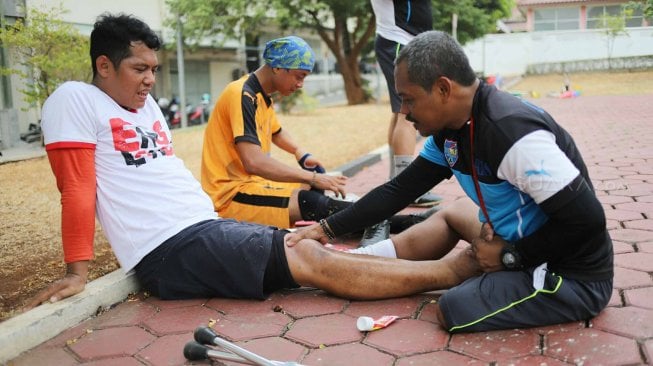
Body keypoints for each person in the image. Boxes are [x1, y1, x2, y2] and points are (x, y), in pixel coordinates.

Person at [25, 14, 472, 311]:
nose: (150, 80)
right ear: (103, 65)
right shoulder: (75, 100)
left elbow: (275, 135)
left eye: (154, 69)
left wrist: (304, 157)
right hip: (171, 245)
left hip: (203, 224)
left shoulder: (144, 106)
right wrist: (76, 271)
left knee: (308, 248)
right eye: (139, 68)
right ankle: (454, 272)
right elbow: (77, 186)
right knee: (312, 255)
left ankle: (428, 254)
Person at [287, 30, 614, 333]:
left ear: (443, 89)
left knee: (454, 309)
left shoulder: (511, 134)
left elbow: (588, 221)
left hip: (568, 273)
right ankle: (360, 263)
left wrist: (509, 256)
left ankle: (448, 271)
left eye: (409, 98)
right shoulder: (450, 132)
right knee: (451, 214)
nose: (405, 111)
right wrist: (326, 228)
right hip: (510, 239)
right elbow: (398, 190)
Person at [200, 35, 430, 233]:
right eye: (299, 76)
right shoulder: (242, 94)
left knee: (316, 193)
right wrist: (310, 176)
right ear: (278, 67)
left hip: (249, 185)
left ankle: (379, 221)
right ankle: (406, 223)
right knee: (311, 200)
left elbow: (276, 132)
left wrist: (301, 154)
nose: (301, 84)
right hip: (229, 195)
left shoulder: (260, 96)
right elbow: (254, 162)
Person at [371, 0, 441, 207]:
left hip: (403, 41)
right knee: (408, 112)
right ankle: (406, 189)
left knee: (400, 112)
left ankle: (397, 181)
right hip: (398, 40)